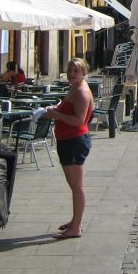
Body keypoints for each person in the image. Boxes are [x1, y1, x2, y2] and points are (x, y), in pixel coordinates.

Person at [45, 57, 93, 240]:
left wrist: (56, 114)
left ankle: (76, 227)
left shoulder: (81, 92)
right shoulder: (74, 88)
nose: (72, 73)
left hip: (74, 142)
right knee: (74, 186)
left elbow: (80, 120)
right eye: (70, 70)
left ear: (83, 73)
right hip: (69, 140)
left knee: (77, 186)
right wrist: (57, 110)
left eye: (76, 70)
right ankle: (75, 221)